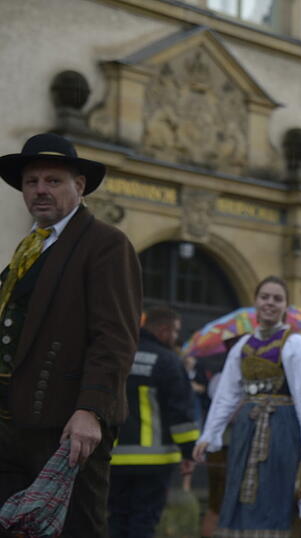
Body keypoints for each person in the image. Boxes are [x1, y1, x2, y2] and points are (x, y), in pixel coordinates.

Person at [0, 132, 142, 535]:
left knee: (77, 529)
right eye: (32, 182)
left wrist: (92, 410)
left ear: (79, 187)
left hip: (67, 424)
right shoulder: (29, 247)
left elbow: (115, 337)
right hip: (11, 423)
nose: (40, 190)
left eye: (53, 180)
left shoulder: (105, 244)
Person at [193, 276, 301, 537]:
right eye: (265, 297)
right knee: (242, 489)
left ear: (286, 305)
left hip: (282, 427)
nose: (270, 303)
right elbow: (226, 394)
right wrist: (210, 434)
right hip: (247, 428)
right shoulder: (242, 346)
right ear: (256, 301)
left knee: (274, 488)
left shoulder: (295, 345)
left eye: (277, 298)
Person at [108, 307, 200, 538]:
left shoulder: (120, 355)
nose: (176, 337)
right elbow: (180, 413)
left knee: (116, 519)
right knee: (144, 522)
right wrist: (189, 452)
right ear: (163, 330)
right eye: (175, 331)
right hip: (154, 461)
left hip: (115, 458)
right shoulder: (168, 361)